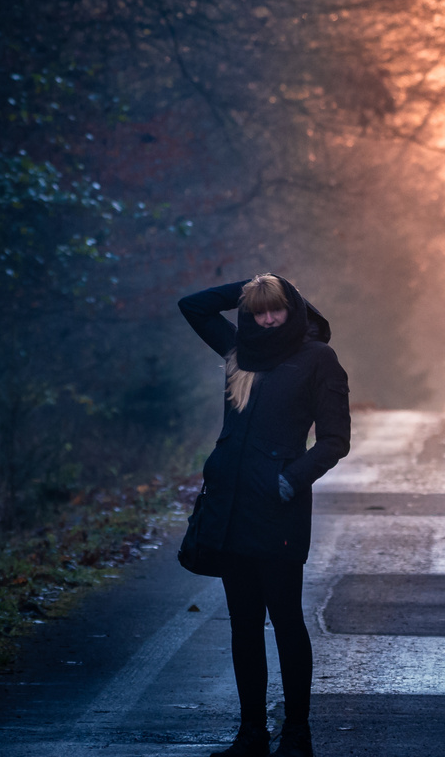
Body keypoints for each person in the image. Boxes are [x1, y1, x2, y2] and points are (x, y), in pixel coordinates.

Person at [179, 272, 351, 757]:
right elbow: (191, 305)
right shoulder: (239, 352)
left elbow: (336, 440)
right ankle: (251, 734)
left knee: (287, 621)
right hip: (230, 508)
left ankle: (297, 735)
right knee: (243, 623)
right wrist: (252, 285)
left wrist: (292, 479)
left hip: (278, 511)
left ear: (293, 309)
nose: (268, 319)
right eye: (258, 311)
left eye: (276, 309)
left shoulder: (318, 359)